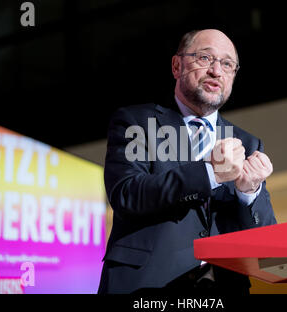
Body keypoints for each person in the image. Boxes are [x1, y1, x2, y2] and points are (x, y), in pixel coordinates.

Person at [98, 29, 276, 294]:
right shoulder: (137, 122)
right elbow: (127, 194)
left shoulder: (247, 144)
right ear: (177, 65)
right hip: (146, 287)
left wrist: (249, 192)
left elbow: (264, 243)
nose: (217, 71)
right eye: (205, 58)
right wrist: (209, 172)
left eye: (227, 64)